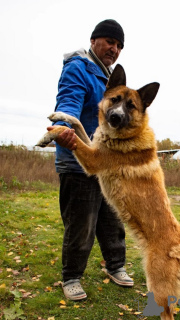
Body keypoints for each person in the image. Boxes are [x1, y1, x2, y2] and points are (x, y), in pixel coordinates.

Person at [50, 19, 134, 301]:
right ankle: (71, 276)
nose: (115, 49)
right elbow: (69, 102)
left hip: (107, 165)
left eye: (119, 45)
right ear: (94, 40)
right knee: (82, 224)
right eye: (110, 41)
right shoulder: (79, 68)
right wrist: (64, 128)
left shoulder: (110, 77)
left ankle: (116, 266)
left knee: (112, 220)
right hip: (78, 162)